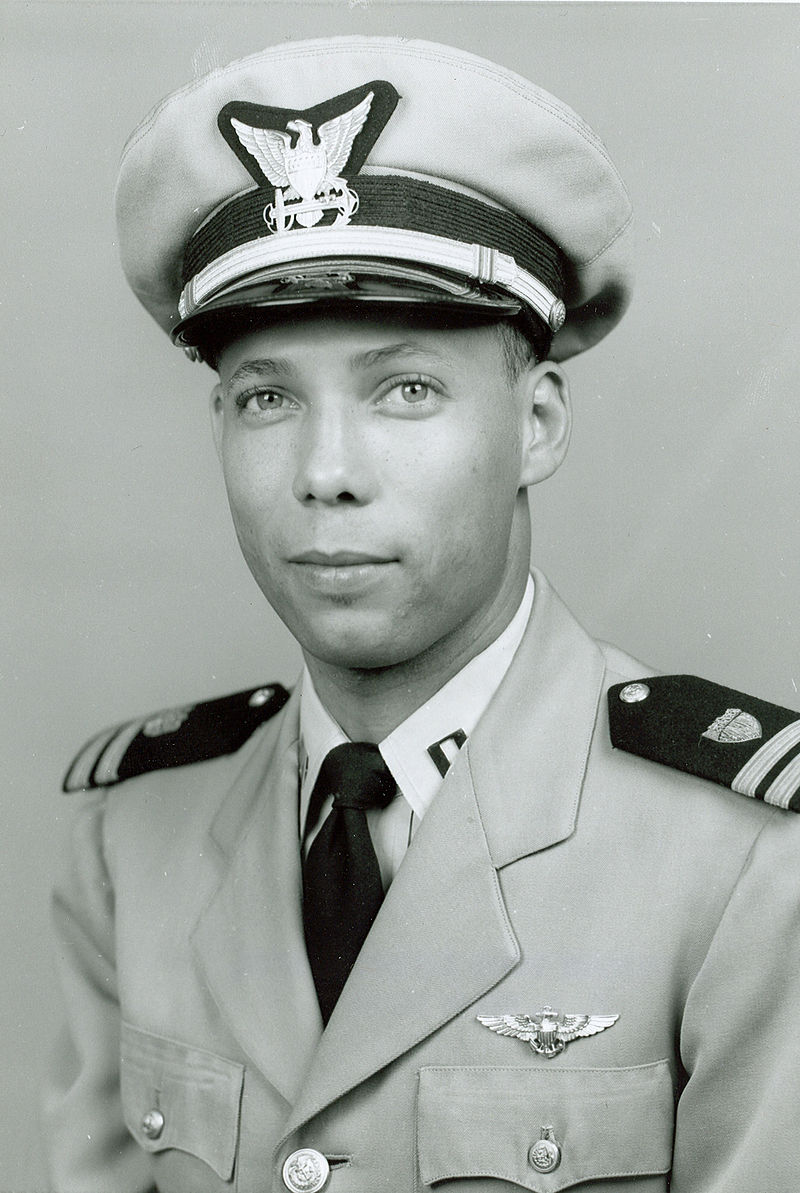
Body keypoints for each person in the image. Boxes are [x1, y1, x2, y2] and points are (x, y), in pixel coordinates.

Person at [44, 35, 800, 1193]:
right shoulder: (132, 835)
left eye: (406, 391)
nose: (325, 471)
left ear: (536, 424)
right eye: (265, 397)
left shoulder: (746, 860)